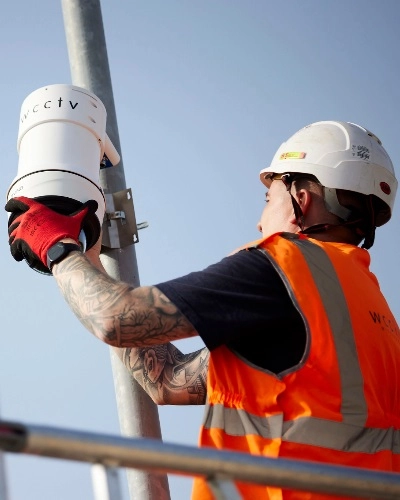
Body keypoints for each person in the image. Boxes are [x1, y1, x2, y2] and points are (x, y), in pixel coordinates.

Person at [6, 120, 400, 500]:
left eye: (268, 199)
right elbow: (168, 381)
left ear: (301, 199)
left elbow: (115, 319)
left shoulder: (283, 265)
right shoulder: (374, 313)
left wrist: (57, 246)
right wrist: (91, 263)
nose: (261, 221)